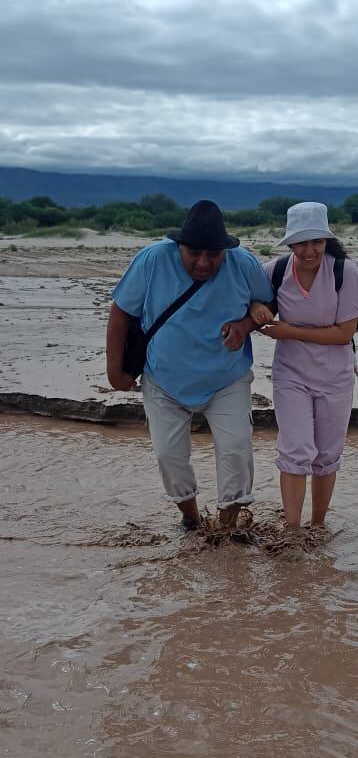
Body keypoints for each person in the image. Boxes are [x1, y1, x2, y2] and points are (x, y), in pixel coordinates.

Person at [106, 200, 273, 530]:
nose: (203, 262)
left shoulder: (242, 263)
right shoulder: (152, 260)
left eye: (213, 255)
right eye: (194, 253)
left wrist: (245, 325)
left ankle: (226, 528)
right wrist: (114, 372)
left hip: (227, 377)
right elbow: (120, 313)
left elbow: (266, 303)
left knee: (236, 450)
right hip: (164, 379)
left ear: (225, 250)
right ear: (178, 245)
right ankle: (191, 519)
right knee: (169, 455)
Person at [249, 201, 358, 530]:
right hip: (291, 374)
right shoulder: (274, 271)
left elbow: (344, 334)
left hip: (336, 376)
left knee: (327, 455)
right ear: (290, 243)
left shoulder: (344, 272)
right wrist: (259, 306)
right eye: (301, 242)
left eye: (316, 241)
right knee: (295, 450)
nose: (309, 250)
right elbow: (252, 299)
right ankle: (292, 531)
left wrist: (290, 331)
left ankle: (317, 527)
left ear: (326, 241)